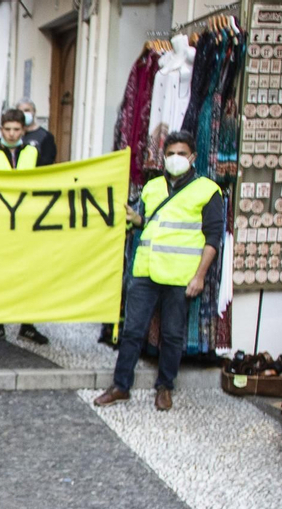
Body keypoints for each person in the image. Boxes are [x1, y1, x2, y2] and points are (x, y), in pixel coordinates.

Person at [94, 130, 223, 412]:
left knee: (172, 335)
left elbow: (214, 238)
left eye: (181, 154)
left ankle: (165, 387)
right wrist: (136, 218)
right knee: (132, 330)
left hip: (180, 275)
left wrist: (200, 276)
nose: (176, 159)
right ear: (163, 157)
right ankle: (120, 386)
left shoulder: (208, 190)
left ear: (193, 157)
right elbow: (151, 223)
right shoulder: (152, 187)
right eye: (170, 154)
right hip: (145, 270)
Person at [0, 113, 49, 345]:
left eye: (16, 129)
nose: (12, 134)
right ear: (1, 129)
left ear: (23, 130)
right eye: (7, 129)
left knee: (29, 273)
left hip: (26, 223)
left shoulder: (33, 153)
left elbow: (46, 181)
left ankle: (27, 324)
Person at [17, 99, 57, 167]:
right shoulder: (12, 135)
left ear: (34, 112)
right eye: (20, 111)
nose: (24, 114)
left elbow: (48, 162)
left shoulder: (46, 136)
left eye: (27, 110)